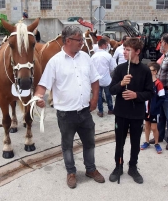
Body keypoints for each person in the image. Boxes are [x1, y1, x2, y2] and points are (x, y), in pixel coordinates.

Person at [35, 25, 105, 189]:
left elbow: (95, 80)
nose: (82, 43)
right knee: (67, 145)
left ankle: (91, 169)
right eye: (79, 40)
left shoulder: (86, 58)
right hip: (66, 114)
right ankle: (71, 172)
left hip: (85, 111)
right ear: (67, 41)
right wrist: (38, 97)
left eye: (82, 39)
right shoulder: (55, 62)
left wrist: (95, 98)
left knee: (90, 143)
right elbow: (42, 86)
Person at [108, 38, 154, 184]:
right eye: (124, 49)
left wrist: (136, 95)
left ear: (137, 51)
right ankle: (118, 166)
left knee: (135, 143)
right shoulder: (120, 69)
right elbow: (111, 90)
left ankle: (132, 167)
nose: (124, 52)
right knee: (119, 142)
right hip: (121, 113)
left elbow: (149, 93)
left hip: (136, 114)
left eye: (128, 50)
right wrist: (121, 83)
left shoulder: (145, 70)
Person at [140, 62, 165, 153]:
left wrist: (155, 107)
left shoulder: (158, 83)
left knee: (154, 127)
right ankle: (146, 141)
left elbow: (162, 98)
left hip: (154, 110)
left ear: (155, 72)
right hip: (146, 109)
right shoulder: (146, 83)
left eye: (149, 70)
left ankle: (156, 143)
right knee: (147, 126)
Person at [91, 38, 116, 117]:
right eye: (106, 44)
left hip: (97, 80)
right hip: (106, 79)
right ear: (103, 45)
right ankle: (110, 109)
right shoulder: (108, 55)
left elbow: (91, 69)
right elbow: (113, 67)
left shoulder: (93, 56)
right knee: (108, 95)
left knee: (98, 96)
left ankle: (100, 111)